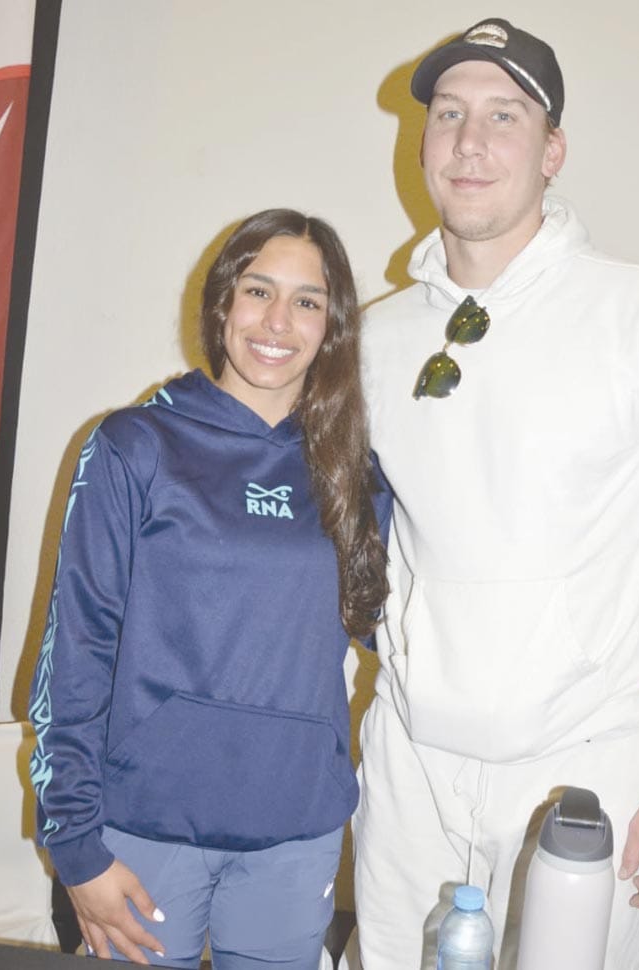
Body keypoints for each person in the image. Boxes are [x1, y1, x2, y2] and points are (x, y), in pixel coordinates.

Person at [352, 17, 639, 970]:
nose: (471, 141)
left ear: (553, 150)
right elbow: (347, 556)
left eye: (505, 115)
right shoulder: (375, 339)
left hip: (581, 766)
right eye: (449, 114)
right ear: (424, 142)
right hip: (409, 767)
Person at [27, 208, 391, 970]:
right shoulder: (134, 446)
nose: (278, 321)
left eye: (307, 301)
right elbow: (77, 650)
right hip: (144, 830)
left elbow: (387, 625)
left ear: (332, 326)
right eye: (259, 290)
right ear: (223, 298)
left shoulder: (352, 470)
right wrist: (76, 844)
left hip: (296, 833)